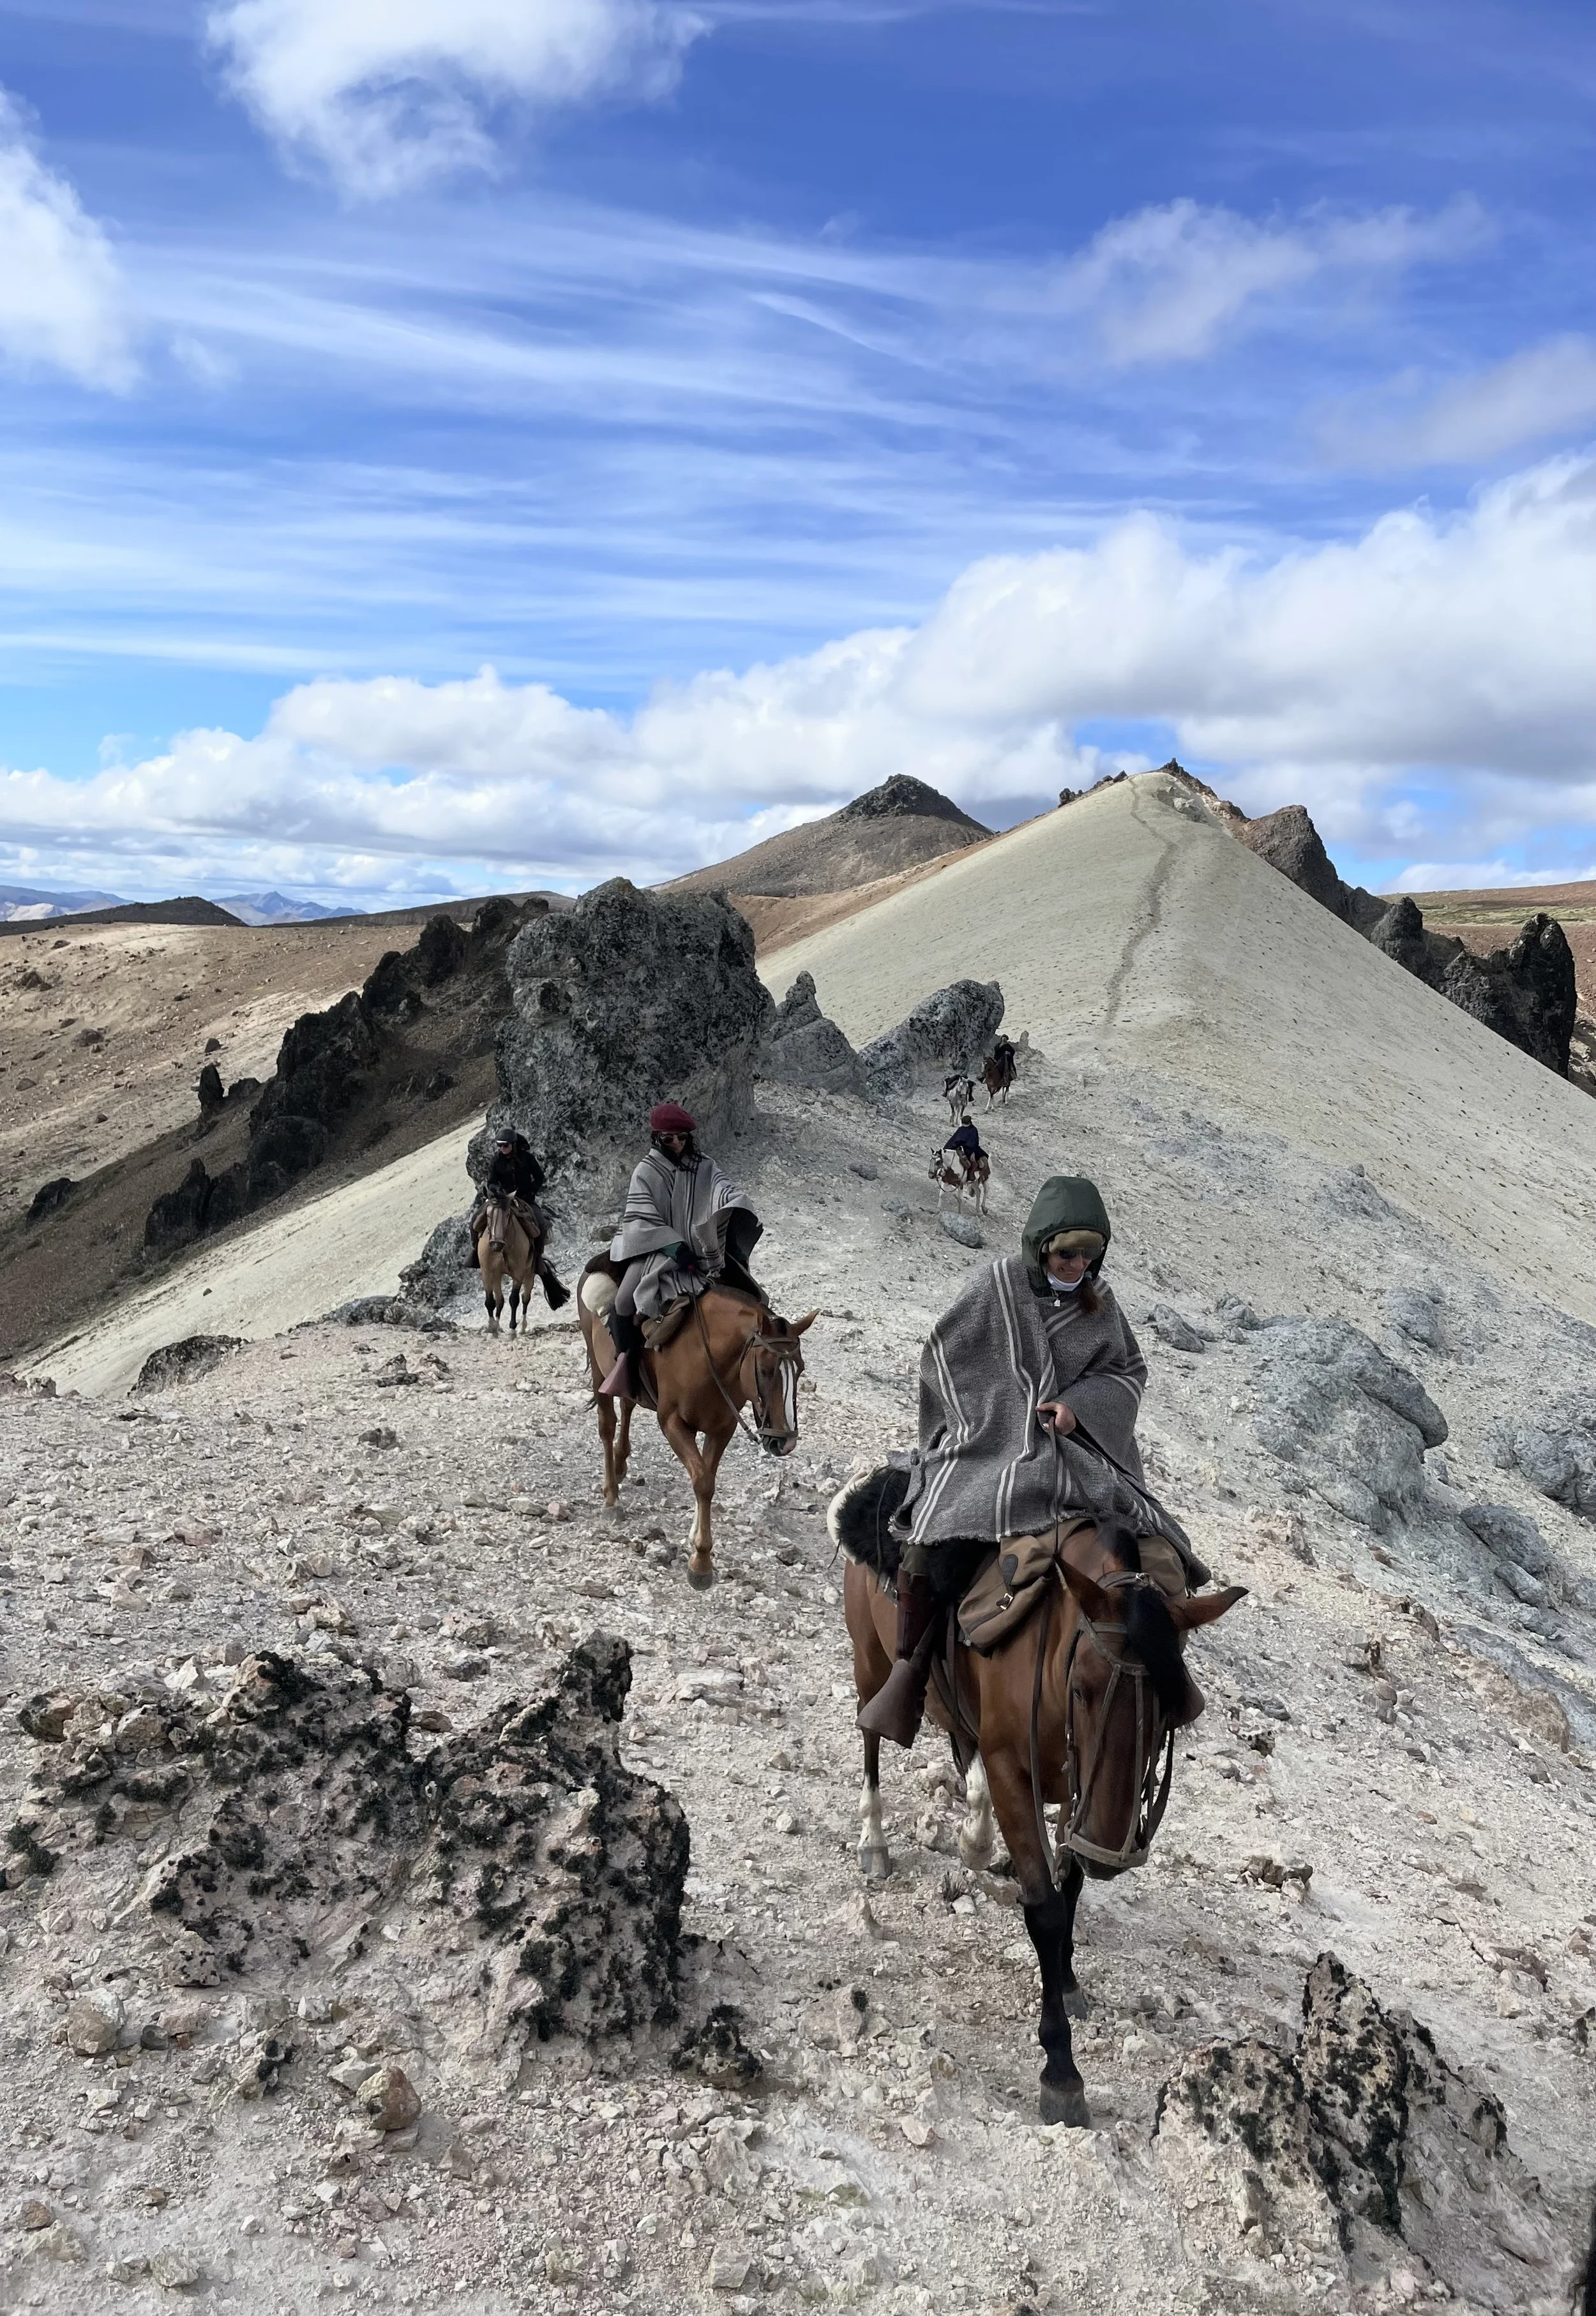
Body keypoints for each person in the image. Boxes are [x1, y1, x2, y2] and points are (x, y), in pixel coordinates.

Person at [858, 1173, 1207, 1748]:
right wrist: (1003, 1406)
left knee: (1160, 1546)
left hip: (1078, 1450)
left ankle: (1149, 1677)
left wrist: (1077, 1407)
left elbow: (1127, 1373)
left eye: (1089, 1255)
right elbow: (944, 1357)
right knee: (931, 1529)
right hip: (992, 1438)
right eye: (1067, 1252)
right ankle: (909, 1670)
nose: (1076, 1265)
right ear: (1041, 1244)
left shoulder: (1101, 1306)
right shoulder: (996, 1286)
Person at [599, 1101, 762, 1399]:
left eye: (682, 1137)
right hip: (655, 1251)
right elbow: (640, 1218)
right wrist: (674, 1247)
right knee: (623, 1302)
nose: (677, 1144)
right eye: (669, 1138)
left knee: (752, 1295)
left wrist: (735, 1202)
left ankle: (753, 1367)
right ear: (656, 1138)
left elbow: (722, 1188)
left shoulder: (705, 1165)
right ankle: (627, 1365)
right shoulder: (645, 1172)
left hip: (701, 1253)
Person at [468, 1129, 569, 1308]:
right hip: (501, 1199)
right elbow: (490, 1181)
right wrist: (497, 1190)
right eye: (499, 1146)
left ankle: (537, 1259)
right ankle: (476, 1254)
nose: (502, 1149)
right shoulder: (496, 1160)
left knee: (541, 1224)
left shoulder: (527, 1159)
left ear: (513, 1145)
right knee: (475, 1221)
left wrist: (530, 1191)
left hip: (524, 1199)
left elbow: (540, 1177)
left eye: (505, 1146)